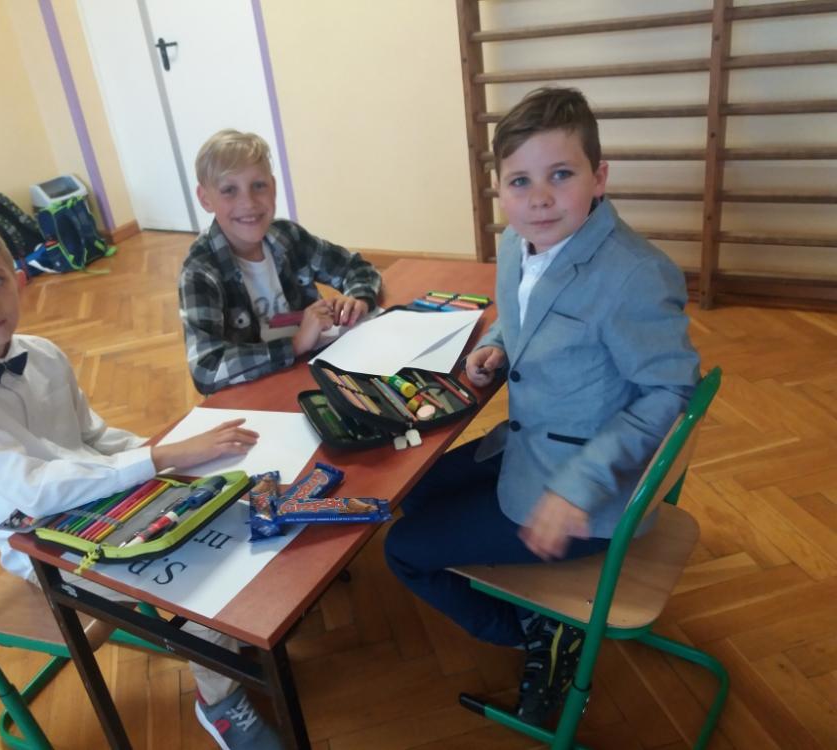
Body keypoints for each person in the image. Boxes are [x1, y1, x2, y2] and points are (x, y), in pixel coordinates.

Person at [0, 206, 282, 750]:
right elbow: (34, 489)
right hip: (41, 543)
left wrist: (175, 455)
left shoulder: (43, 354)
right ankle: (219, 701)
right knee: (196, 574)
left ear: (19, 278)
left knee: (225, 514)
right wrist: (161, 458)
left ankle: (226, 648)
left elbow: (95, 438)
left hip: (103, 499)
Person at [384, 87, 700, 725]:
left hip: (584, 496)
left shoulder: (636, 275)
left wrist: (577, 488)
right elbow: (528, 311)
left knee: (403, 548)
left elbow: (670, 391)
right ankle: (537, 613)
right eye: (521, 181)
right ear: (500, 188)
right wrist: (499, 344)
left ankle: (537, 633)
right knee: (415, 492)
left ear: (599, 177)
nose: (540, 198)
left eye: (561, 174)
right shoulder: (517, 242)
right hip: (530, 444)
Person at [179, 129, 382, 394]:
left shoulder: (287, 237)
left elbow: (356, 268)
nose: (248, 202)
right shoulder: (200, 272)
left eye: (258, 185)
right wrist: (295, 345)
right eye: (229, 190)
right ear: (206, 199)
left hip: (313, 371)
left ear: (273, 187)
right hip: (255, 394)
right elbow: (206, 368)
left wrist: (358, 299)